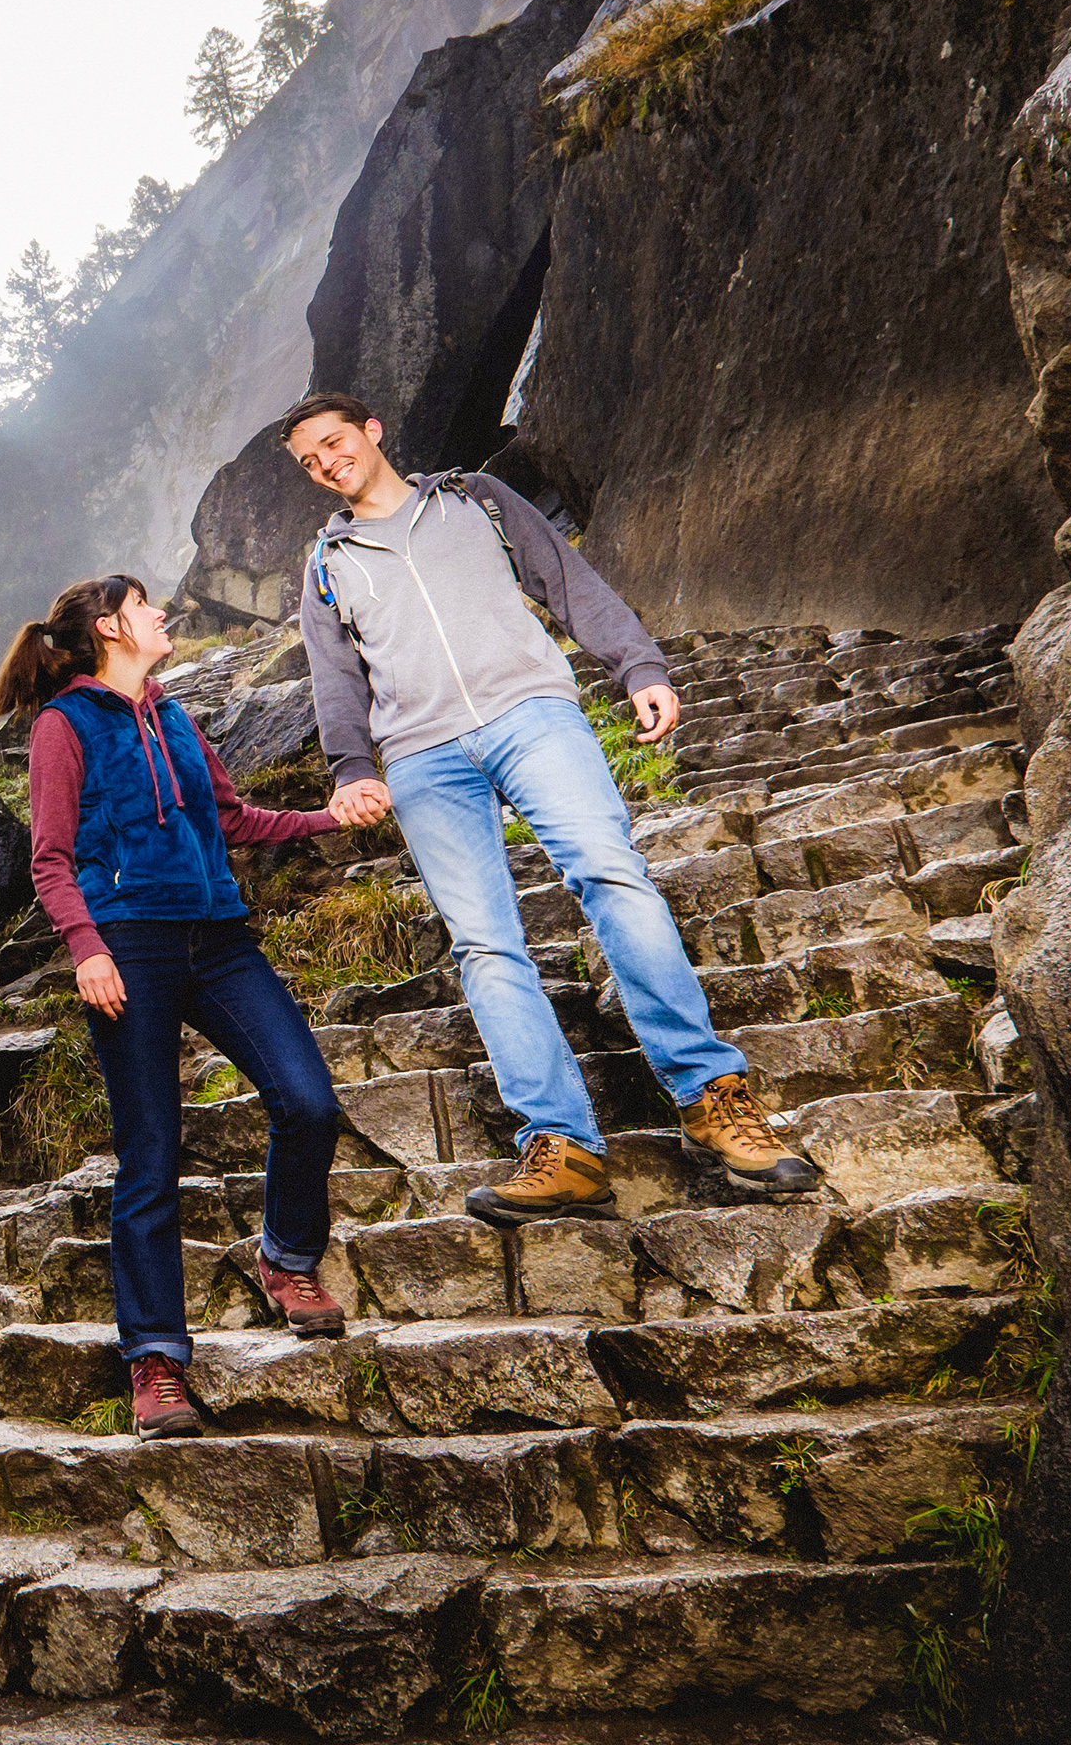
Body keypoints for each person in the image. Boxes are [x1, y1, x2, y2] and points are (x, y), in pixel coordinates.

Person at [279, 392, 819, 1225]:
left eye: (333, 442)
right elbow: (335, 678)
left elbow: (571, 583)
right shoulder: (326, 564)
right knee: (485, 946)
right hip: (422, 756)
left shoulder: (477, 502)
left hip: (532, 716)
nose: (326, 463)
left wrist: (638, 665)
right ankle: (561, 1147)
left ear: (371, 431)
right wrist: (352, 766)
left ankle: (713, 1099)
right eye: (309, 461)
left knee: (611, 875)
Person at [0, 573, 348, 1440]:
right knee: (149, 1153)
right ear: (111, 627)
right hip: (130, 948)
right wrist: (87, 948)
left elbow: (230, 820)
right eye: (148, 605)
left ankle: (286, 1258)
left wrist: (327, 818)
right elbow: (50, 858)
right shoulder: (62, 726)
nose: (165, 615)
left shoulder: (178, 718)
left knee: (310, 1103)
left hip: (220, 937)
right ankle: (155, 1362)